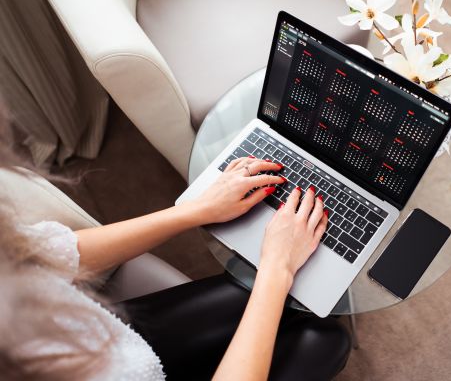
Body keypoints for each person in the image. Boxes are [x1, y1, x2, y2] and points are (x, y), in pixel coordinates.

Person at [0, 117, 351, 380]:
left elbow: (52, 254)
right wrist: (277, 269)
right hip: (123, 368)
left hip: (116, 338)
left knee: (290, 297)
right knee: (324, 339)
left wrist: (197, 209)